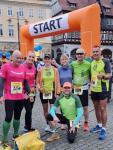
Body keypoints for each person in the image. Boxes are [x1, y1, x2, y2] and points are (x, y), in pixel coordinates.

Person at [0, 50, 30, 144]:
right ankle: (4, 139)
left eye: (21, 58)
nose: (19, 60)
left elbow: (25, 81)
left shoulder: (23, 68)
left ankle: (15, 135)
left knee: (17, 117)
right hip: (9, 97)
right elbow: (1, 82)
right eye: (17, 58)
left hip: (20, 97)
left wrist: (28, 90)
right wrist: (1, 95)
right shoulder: (5, 66)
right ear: (12, 58)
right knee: (8, 117)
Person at [90, 45, 112, 140]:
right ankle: (99, 125)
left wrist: (103, 76)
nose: (95, 53)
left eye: (97, 51)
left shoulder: (105, 61)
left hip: (103, 89)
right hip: (94, 89)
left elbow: (110, 75)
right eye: (94, 52)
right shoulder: (92, 62)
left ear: (100, 52)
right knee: (96, 108)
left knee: (103, 108)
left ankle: (104, 128)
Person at [37, 54, 60, 132]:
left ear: (51, 60)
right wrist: (39, 88)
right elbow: (37, 82)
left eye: (48, 58)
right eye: (45, 59)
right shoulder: (40, 70)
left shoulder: (55, 70)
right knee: (45, 110)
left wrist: (57, 92)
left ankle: (53, 125)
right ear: (44, 60)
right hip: (43, 93)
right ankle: (48, 124)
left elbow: (58, 82)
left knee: (52, 110)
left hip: (52, 92)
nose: (47, 60)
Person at [71, 48, 91, 132]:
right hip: (75, 88)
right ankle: (77, 121)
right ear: (76, 55)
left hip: (84, 88)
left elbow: (91, 76)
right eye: (78, 54)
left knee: (85, 107)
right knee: (75, 106)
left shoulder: (88, 64)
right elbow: (66, 71)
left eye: (81, 54)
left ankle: (86, 123)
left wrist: (91, 87)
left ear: (84, 55)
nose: (79, 55)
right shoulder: (72, 64)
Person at [23, 52, 36, 132]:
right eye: (29, 56)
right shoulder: (22, 67)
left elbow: (33, 80)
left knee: (30, 109)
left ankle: (27, 126)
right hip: (25, 92)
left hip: (32, 92)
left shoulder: (34, 67)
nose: (31, 58)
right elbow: (21, 81)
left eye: (32, 57)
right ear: (26, 57)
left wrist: (34, 89)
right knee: (28, 110)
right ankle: (27, 127)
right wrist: (25, 92)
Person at [58, 54, 73, 129]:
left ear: (68, 60)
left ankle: (70, 121)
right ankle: (63, 123)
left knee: (70, 106)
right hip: (62, 90)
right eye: (62, 59)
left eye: (65, 59)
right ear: (60, 61)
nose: (64, 61)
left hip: (70, 90)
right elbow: (57, 80)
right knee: (63, 106)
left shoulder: (71, 68)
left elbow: (73, 77)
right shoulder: (59, 69)